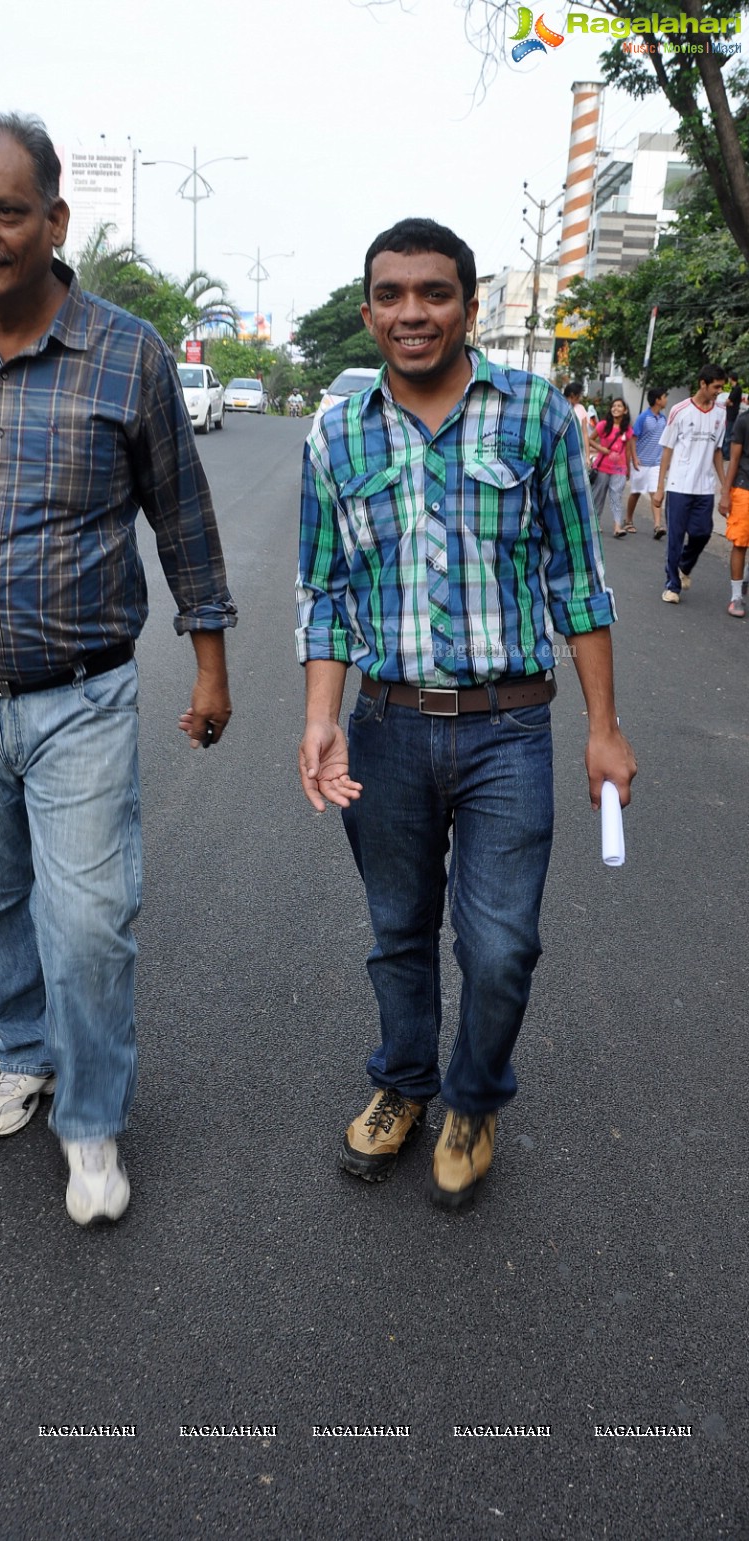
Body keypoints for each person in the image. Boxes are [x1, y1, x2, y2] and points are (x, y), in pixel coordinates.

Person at [0, 110, 235, 1227]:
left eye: (7, 211)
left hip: (81, 695)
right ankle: (25, 1051)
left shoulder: (129, 353)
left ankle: (91, 1119)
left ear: (54, 219)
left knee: (87, 916)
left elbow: (185, 521)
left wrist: (210, 667)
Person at [297, 217, 635, 1209]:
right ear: (369, 314)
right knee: (397, 928)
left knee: (501, 944)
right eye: (392, 295)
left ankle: (474, 1096)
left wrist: (603, 728)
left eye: (434, 293)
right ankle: (403, 1083)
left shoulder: (535, 416)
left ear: (469, 304)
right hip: (386, 726)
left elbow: (580, 581)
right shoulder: (336, 432)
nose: (413, 312)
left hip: (509, 730)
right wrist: (321, 717)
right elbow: (322, 592)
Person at [653, 365, 726, 604]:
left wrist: (724, 486)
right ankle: (672, 585)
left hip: (705, 487)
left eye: (721, 387)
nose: (719, 391)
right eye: (716, 386)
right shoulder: (680, 410)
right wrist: (660, 486)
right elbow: (667, 450)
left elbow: (717, 451)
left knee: (703, 532)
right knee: (675, 537)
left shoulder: (720, 413)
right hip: (678, 485)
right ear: (703, 384)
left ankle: (684, 566)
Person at [719, 401, 749, 618]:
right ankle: (736, 596)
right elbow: (734, 459)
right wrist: (725, 494)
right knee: (740, 543)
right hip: (744, 488)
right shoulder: (743, 420)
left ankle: (745, 577)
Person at [590, 397, 635, 538]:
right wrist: (601, 448)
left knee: (617, 497)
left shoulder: (627, 430)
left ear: (625, 410)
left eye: (619, 406)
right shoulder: (603, 425)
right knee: (599, 496)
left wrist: (628, 469)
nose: (616, 408)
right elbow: (590, 439)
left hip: (619, 469)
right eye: (614, 406)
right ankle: (595, 522)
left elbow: (627, 451)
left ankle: (617, 526)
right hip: (602, 467)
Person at [627, 388, 668, 537]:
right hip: (641, 462)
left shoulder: (664, 419)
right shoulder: (643, 417)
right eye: (664, 396)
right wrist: (635, 457)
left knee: (655, 493)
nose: (666, 399)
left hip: (656, 463)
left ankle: (657, 525)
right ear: (657, 400)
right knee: (636, 493)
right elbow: (633, 438)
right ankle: (629, 519)